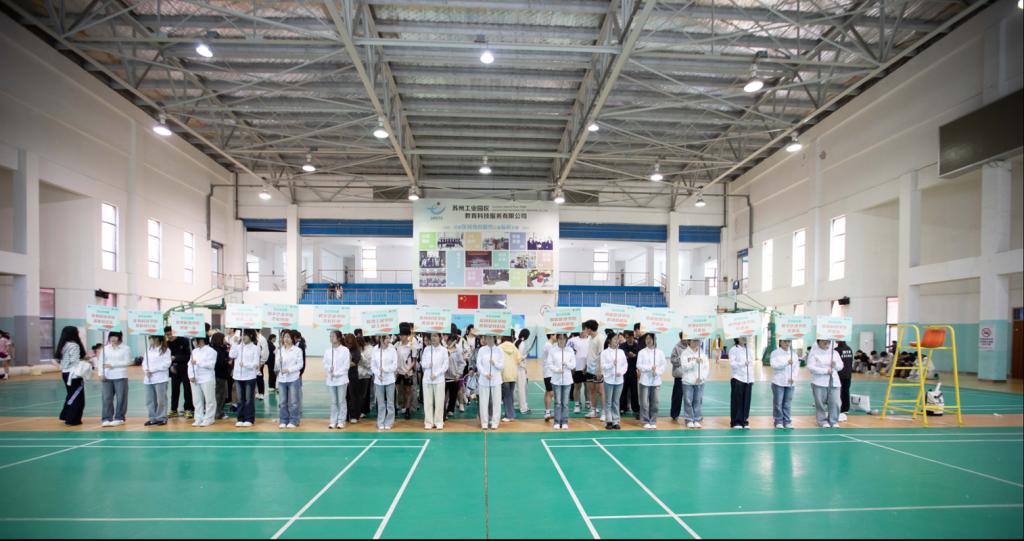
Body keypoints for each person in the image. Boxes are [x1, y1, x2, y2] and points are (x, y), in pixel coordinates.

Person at [99, 331, 132, 427]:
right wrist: (101, 373)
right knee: (106, 398)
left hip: (120, 375)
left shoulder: (125, 348)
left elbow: (128, 361)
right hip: (107, 376)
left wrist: (113, 365)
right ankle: (106, 418)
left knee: (121, 398)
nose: (113, 338)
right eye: (111, 336)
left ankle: (119, 418)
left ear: (120, 337)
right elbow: (100, 362)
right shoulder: (105, 348)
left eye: (115, 336)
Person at [808, 339, 843, 428]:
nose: (826, 343)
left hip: (834, 381)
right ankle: (822, 421)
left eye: (828, 341)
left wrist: (835, 365)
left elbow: (841, 366)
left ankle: (833, 421)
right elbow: (811, 367)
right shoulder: (814, 353)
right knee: (820, 403)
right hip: (819, 382)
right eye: (823, 341)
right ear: (818, 342)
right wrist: (825, 371)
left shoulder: (835, 353)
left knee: (835, 402)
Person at [229, 329, 260, 427]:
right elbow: (231, 355)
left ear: (251, 336)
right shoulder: (238, 347)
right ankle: (240, 418)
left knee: (248, 399)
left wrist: (246, 365)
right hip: (238, 376)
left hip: (249, 377)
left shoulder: (255, 348)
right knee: (240, 399)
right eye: (242, 335)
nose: (243, 337)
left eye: (245, 335)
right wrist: (234, 343)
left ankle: (249, 419)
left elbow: (256, 364)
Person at [57, 326, 87, 426]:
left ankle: (65, 415)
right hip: (73, 374)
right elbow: (74, 361)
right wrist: (86, 361)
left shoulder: (63, 345)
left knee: (71, 395)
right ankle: (72, 419)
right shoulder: (74, 345)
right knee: (77, 397)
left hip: (65, 373)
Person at [637, 333, 667, 430]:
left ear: (654, 340)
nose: (648, 340)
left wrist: (657, 372)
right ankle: (645, 421)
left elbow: (663, 366)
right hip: (644, 381)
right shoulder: (642, 352)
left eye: (650, 338)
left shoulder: (660, 352)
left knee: (655, 402)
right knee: (644, 403)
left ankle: (653, 420)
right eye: (647, 338)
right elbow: (639, 365)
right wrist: (650, 368)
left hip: (656, 381)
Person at [164, 326, 195, 419]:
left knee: (187, 390)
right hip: (174, 370)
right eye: (167, 335)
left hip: (186, 369)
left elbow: (190, 356)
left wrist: (176, 358)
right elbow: (165, 358)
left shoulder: (185, 341)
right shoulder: (167, 344)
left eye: (170, 334)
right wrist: (170, 366)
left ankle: (189, 409)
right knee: (174, 390)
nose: (169, 336)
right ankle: (173, 410)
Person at [187, 334, 218, 427]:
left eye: (195, 340)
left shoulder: (211, 351)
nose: (194, 342)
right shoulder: (194, 351)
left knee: (209, 400)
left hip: (207, 378)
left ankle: (209, 418)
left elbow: (211, 365)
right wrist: (191, 375)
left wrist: (198, 362)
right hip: (195, 378)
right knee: (197, 400)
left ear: (201, 340)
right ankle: (198, 418)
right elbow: (189, 364)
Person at [421, 332, 449, 430]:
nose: (433, 338)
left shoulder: (444, 350)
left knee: (439, 402)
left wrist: (436, 374)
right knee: (427, 402)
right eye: (432, 336)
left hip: (439, 379)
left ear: (440, 337)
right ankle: (429, 422)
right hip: (427, 379)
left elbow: (445, 365)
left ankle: (438, 422)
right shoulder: (427, 349)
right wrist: (428, 365)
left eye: (435, 336)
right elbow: (422, 363)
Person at [276, 330, 304, 428]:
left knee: (294, 402)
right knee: (282, 402)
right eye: (284, 337)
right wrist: (279, 362)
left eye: (288, 337)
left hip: (293, 378)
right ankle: (283, 420)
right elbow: (277, 366)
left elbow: (300, 365)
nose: (286, 339)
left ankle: (294, 420)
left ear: (292, 339)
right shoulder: (280, 350)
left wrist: (289, 370)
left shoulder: (297, 350)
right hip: (282, 379)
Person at [476, 334, 504, 430]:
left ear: (494, 338)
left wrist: (495, 363)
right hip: (484, 380)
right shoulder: (481, 350)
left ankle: (495, 422)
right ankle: (484, 422)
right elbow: (478, 364)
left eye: (490, 337)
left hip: (496, 380)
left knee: (496, 402)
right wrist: (485, 373)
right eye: (487, 337)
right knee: (483, 402)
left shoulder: (499, 350)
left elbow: (502, 365)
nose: (488, 339)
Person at [546, 334, 574, 430]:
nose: (562, 340)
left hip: (567, 380)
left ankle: (565, 421)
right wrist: (557, 369)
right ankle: (557, 422)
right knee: (557, 402)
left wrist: (567, 364)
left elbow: (573, 365)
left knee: (565, 403)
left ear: (566, 339)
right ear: (557, 339)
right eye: (560, 338)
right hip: (556, 380)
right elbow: (549, 364)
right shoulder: (552, 350)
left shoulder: (570, 350)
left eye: (564, 339)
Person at [323, 330, 350, 429]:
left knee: (341, 400)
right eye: (330, 336)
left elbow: (346, 365)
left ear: (339, 338)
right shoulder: (327, 351)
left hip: (341, 379)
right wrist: (329, 369)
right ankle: (333, 420)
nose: (331, 338)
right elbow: (325, 363)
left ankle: (341, 421)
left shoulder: (345, 350)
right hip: (331, 380)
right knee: (333, 401)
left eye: (333, 336)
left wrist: (336, 373)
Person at [600, 332, 627, 430]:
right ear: (609, 340)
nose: (617, 341)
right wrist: (612, 364)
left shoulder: (621, 352)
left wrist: (621, 372)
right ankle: (609, 421)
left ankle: (616, 421)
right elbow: (603, 366)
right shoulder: (604, 353)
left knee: (616, 401)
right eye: (615, 339)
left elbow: (625, 365)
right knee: (608, 401)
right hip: (609, 379)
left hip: (619, 380)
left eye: (617, 339)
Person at [680, 339, 710, 429]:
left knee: (697, 401)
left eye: (698, 341)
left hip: (699, 382)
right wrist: (694, 362)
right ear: (689, 342)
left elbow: (706, 368)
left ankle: (696, 419)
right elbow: (684, 367)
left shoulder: (702, 354)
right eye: (694, 341)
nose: (696, 342)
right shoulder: (685, 353)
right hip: (688, 382)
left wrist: (702, 377)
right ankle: (689, 419)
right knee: (688, 401)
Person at [769, 339, 798, 430]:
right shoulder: (775, 353)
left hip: (790, 382)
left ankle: (787, 421)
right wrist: (786, 363)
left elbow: (796, 368)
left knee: (787, 403)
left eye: (788, 341)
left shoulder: (794, 354)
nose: (787, 343)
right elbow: (774, 365)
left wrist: (793, 377)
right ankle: (778, 421)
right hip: (778, 382)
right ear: (780, 342)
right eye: (785, 341)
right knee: (778, 403)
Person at [371, 334, 398, 430]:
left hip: (390, 379)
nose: (388, 340)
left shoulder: (392, 349)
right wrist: (378, 373)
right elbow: (373, 365)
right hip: (379, 380)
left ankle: (389, 422)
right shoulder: (375, 349)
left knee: (390, 403)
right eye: (386, 338)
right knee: (381, 403)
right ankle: (380, 421)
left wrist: (385, 369)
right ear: (381, 338)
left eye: (389, 338)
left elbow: (395, 365)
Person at [143, 335, 171, 426]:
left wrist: (153, 370)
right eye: (150, 338)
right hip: (149, 379)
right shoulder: (148, 350)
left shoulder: (166, 350)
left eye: (152, 338)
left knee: (161, 400)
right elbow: (144, 362)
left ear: (158, 339)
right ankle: (152, 418)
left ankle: (162, 417)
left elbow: (166, 364)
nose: (151, 340)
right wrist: (146, 370)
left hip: (160, 378)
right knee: (150, 400)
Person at [729, 337, 754, 430]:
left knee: (747, 401)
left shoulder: (749, 350)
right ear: (737, 338)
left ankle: (744, 421)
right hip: (738, 378)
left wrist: (752, 378)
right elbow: (732, 364)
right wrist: (743, 363)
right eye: (742, 336)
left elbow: (751, 365)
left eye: (745, 336)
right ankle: (736, 421)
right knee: (737, 401)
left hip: (748, 379)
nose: (744, 338)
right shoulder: (733, 349)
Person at [582, 320, 604, 420]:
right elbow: (590, 354)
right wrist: (586, 366)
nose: (584, 330)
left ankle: (604, 412)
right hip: (590, 369)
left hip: (598, 370)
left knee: (600, 391)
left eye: (585, 328)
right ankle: (593, 411)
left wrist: (600, 370)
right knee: (591, 391)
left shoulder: (600, 338)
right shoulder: (590, 338)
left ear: (589, 329)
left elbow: (601, 355)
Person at [444, 331, 466, 421]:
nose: (449, 342)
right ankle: (443, 410)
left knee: (453, 394)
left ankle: (450, 409)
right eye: (448, 340)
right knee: (444, 395)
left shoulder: (458, 350)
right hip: (444, 376)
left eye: (451, 340)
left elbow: (462, 363)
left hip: (454, 377)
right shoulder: (443, 349)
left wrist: (458, 374)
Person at [619, 330, 641, 419]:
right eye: (627, 337)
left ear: (633, 337)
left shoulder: (638, 346)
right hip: (624, 372)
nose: (629, 339)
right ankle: (622, 408)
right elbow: (621, 356)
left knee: (634, 391)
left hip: (634, 372)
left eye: (630, 337)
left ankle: (636, 409)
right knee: (623, 390)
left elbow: (640, 357)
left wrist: (634, 356)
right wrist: (628, 355)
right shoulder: (622, 346)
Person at [499, 334, 520, 422]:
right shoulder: (514, 347)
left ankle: (509, 415)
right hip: (513, 373)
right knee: (510, 395)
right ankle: (511, 413)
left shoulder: (499, 347)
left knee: (506, 396)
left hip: (504, 373)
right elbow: (519, 359)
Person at [210, 332, 232, 420]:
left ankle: (215, 412)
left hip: (214, 375)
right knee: (220, 395)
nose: (225, 340)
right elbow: (221, 363)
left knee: (216, 394)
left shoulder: (213, 349)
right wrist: (228, 363)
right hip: (220, 375)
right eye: (223, 338)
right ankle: (218, 413)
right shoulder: (219, 350)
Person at [345, 333, 365, 424]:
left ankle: (354, 415)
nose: (349, 345)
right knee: (345, 396)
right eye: (347, 343)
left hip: (353, 376)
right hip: (344, 375)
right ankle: (345, 415)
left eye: (350, 343)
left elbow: (355, 362)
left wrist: (344, 364)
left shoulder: (356, 350)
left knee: (353, 396)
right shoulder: (344, 349)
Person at [395, 333, 416, 421]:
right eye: (400, 335)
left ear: (407, 335)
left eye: (403, 335)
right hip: (398, 372)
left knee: (408, 391)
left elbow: (414, 361)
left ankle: (407, 409)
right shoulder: (397, 345)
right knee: (397, 391)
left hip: (408, 372)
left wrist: (408, 369)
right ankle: (396, 408)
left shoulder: (412, 346)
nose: (401, 337)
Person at [669, 332, 687, 423]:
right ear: (681, 338)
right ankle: (674, 414)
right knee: (677, 397)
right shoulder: (676, 347)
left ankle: (691, 415)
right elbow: (672, 360)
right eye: (683, 337)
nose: (685, 339)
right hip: (679, 376)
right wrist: (681, 359)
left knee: (690, 398)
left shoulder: (691, 347)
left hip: (689, 377)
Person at [835, 340, 854, 422]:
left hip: (839, 374)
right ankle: (845, 408)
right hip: (848, 374)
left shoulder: (837, 350)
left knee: (837, 392)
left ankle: (838, 408)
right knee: (846, 391)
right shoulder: (849, 349)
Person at [514, 329, 532, 415]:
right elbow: (519, 358)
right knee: (522, 389)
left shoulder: (515, 342)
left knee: (516, 389)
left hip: (515, 368)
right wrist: (525, 355)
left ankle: (516, 405)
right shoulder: (522, 344)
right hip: (520, 369)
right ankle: (523, 408)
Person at [541, 334, 556, 422]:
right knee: (551, 392)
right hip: (549, 372)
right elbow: (553, 359)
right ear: (551, 335)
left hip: (550, 372)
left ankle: (547, 413)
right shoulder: (548, 346)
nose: (557, 337)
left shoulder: (550, 345)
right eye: (555, 335)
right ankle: (548, 413)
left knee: (548, 392)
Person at [255, 331, 270, 401]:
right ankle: (256, 392)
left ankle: (261, 393)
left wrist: (261, 363)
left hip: (259, 362)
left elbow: (265, 352)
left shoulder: (262, 339)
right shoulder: (253, 338)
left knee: (259, 377)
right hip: (252, 362)